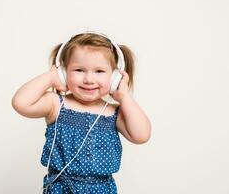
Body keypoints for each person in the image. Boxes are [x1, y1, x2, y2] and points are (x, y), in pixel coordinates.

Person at [11, 32, 152, 193]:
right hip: (60, 189)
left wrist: (125, 96)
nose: (89, 79)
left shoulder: (114, 112)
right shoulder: (56, 104)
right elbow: (20, 103)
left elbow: (142, 135)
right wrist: (50, 77)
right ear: (64, 73)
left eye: (99, 71)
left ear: (114, 77)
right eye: (79, 70)